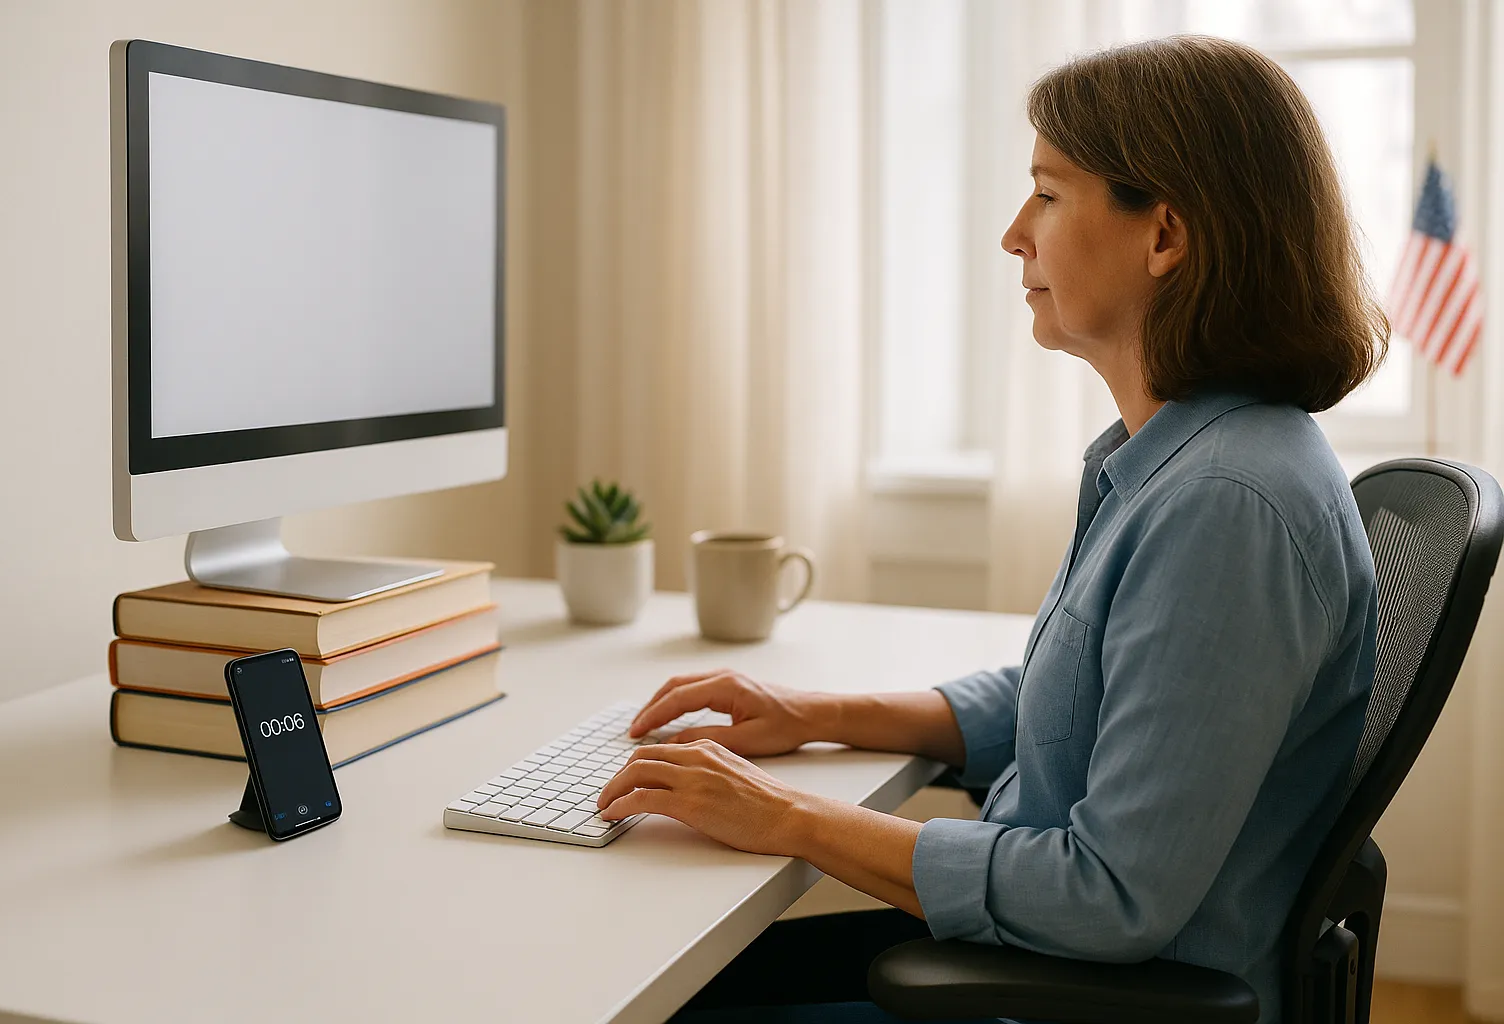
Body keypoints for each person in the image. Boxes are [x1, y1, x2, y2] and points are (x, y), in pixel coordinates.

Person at [593, 34, 1385, 1024]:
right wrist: (817, 713)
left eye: (1048, 195)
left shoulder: (1229, 505)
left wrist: (784, 815)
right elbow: (1086, 695)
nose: (1016, 234)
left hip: (1092, 995)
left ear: (1165, 236)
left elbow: (1109, 896)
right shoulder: (1182, 457)